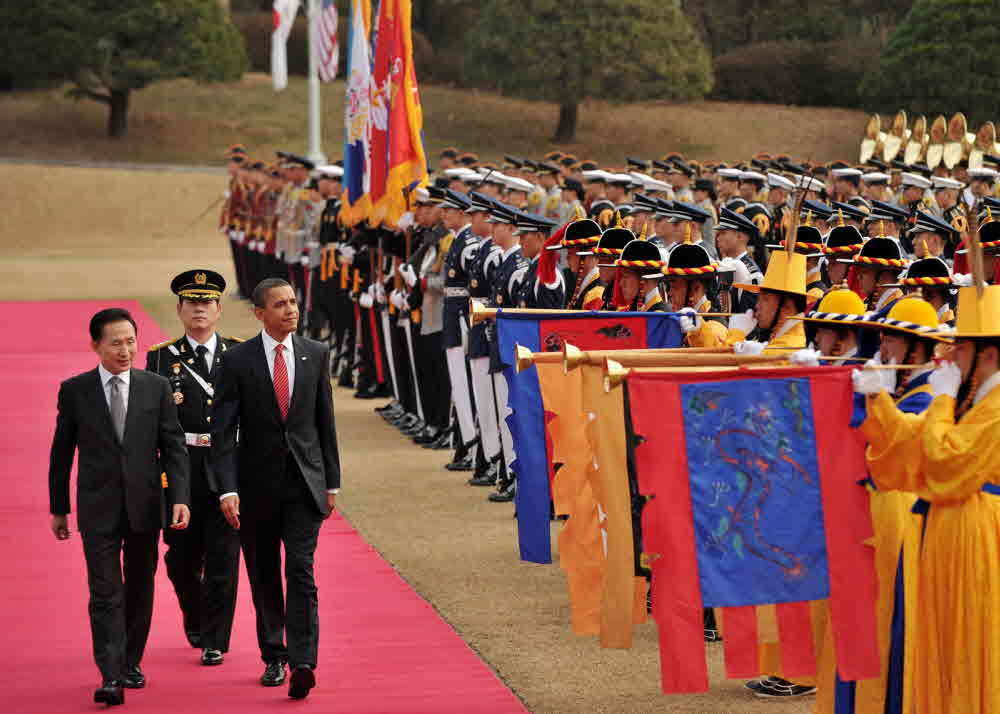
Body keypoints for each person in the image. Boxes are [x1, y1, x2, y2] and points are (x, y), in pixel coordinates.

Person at [851, 283, 1000, 713]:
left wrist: (943, 399)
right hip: (950, 532)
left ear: (987, 354)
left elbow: (945, 463)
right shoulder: (971, 400)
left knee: (966, 648)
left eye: (961, 349)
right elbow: (908, 445)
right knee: (942, 645)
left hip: (977, 535)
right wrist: (876, 396)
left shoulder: (990, 405)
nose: (951, 357)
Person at [49, 308, 191, 706]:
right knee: (105, 592)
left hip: (146, 505)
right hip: (97, 508)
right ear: (95, 345)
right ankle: (110, 674)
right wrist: (58, 507)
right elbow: (61, 454)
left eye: (130, 341)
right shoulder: (75, 390)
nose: (125, 350)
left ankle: (131, 660)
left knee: (140, 586)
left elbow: (174, 447)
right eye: (115, 342)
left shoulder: (156, 387)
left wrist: (180, 497)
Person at [211, 278, 341, 700]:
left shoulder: (315, 353)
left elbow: (325, 423)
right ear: (259, 314)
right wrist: (227, 490)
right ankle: (275, 655)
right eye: (280, 305)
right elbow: (223, 433)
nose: (290, 310)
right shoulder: (236, 361)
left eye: (292, 303)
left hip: (306, 484)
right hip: (255, 487)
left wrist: (332, 482)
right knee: (264, 573)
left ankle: (304, 660)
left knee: (300, 570)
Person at [145, 271, 242, 666]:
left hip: (226, 466)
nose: (200, 308)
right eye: (192, 302)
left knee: (224, 556)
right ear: (180, 309)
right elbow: (152, 421)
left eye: (207, 302)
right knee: (180, 557)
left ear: (219, 309)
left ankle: (215, 638)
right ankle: (194, 610)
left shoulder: (238, 354)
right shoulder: (159, 357)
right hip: (179, 467)